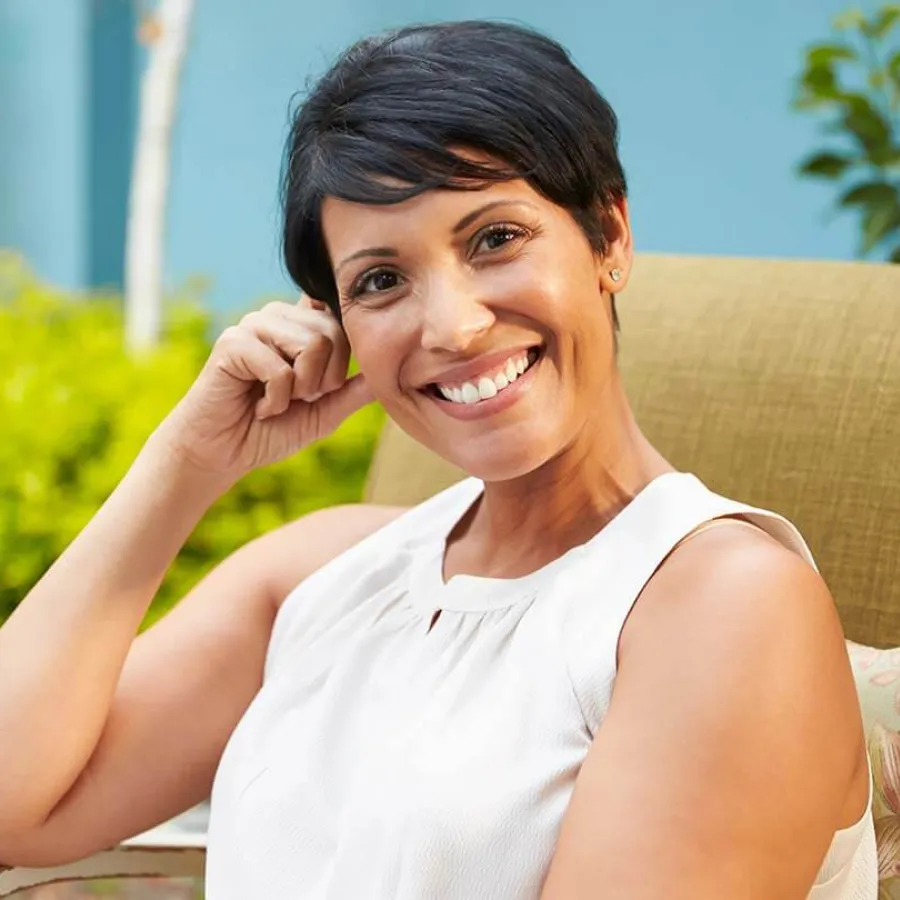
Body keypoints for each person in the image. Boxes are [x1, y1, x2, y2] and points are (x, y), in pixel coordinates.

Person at [0, 19, 876, 900]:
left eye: (495, 238)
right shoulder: (322, 574)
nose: (453, 328)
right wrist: (187, 462)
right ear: (336, 323)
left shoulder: (722, 608)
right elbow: (15, 804)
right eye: (381, 281)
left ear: (608, 236)